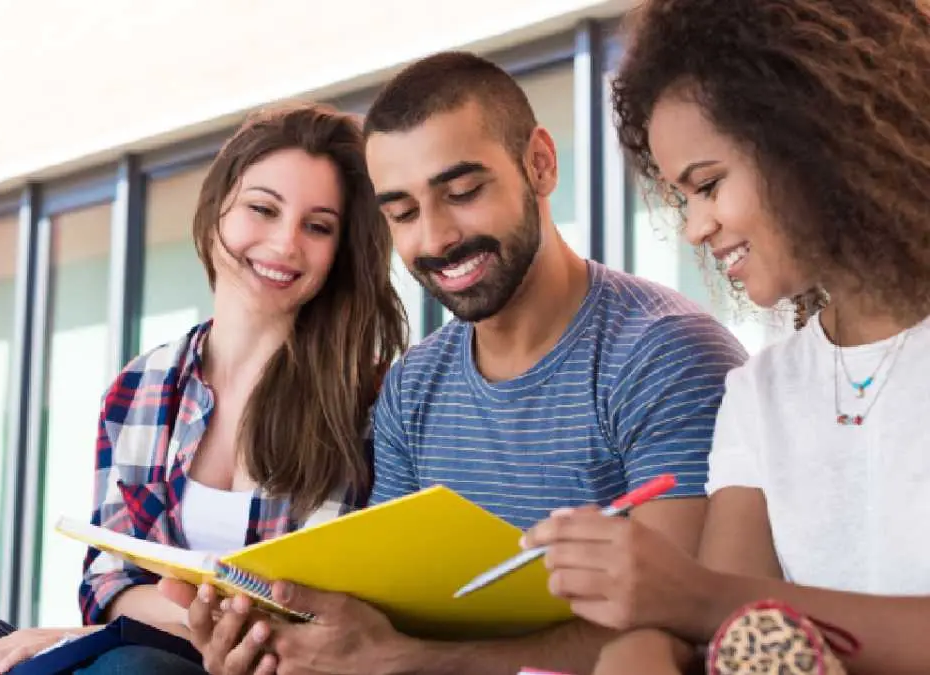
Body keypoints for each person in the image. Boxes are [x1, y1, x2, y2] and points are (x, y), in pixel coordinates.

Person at [161, 51, 748, 675]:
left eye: (463, 193)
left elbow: (679, 628)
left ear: (540, 164)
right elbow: (384, 624)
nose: (436, 238)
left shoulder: (665, 357)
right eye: (403, 213)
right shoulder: (412, 389)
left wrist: (413, 660)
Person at [0, 102, 407, 675]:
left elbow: (310, 617)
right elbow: (109, 580)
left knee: (131, 667)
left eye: (317, 227)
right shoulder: (143, 386)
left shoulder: (366, 400)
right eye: (263, 209)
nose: (286, 243)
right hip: (132, 647)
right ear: (216, 210)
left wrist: (95, 635)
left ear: (338, 251)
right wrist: (105, 632)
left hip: (253, 667)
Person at [522, 1, 930, 673]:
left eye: (708, 185)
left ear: (814, 142)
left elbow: (718, 601)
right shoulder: (762, 390)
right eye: (682, 198)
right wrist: (644, 636)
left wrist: (695, 597)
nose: (694, 228)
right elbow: (729, 627)